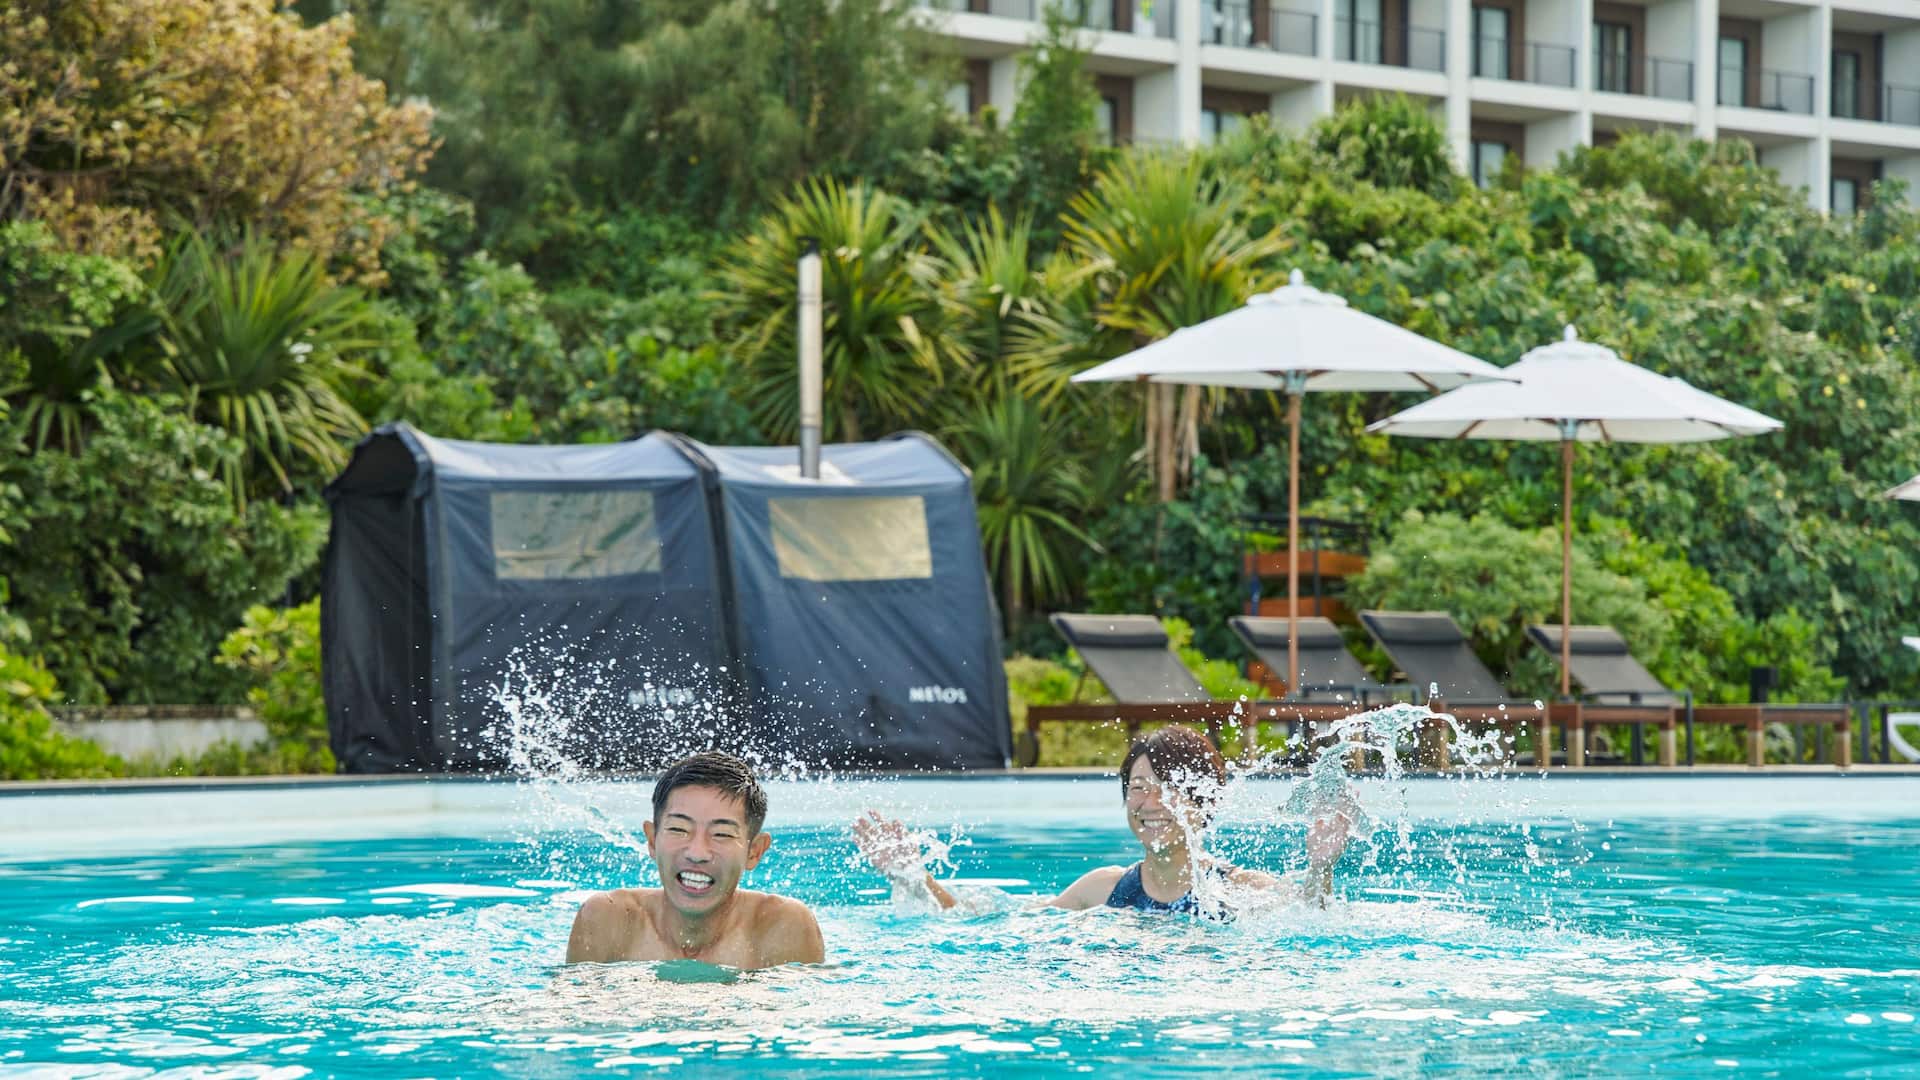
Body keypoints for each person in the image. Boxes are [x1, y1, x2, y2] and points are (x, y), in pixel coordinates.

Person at [853, 725, 1357, 915]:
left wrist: (1322, 867)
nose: (1149, 803)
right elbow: (989, 920)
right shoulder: (1102, 889)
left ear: (1204, 802)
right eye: (1137, 788)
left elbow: (1308, 913)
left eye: (1169, 789)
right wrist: (915, 879)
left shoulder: (1236, 890)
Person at [566, 751, 825, 969]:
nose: (697, 853)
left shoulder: (781, 927)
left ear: (754, 852)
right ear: (652, 840)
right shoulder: (608, 919)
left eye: (721, 834)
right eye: (679, 830)